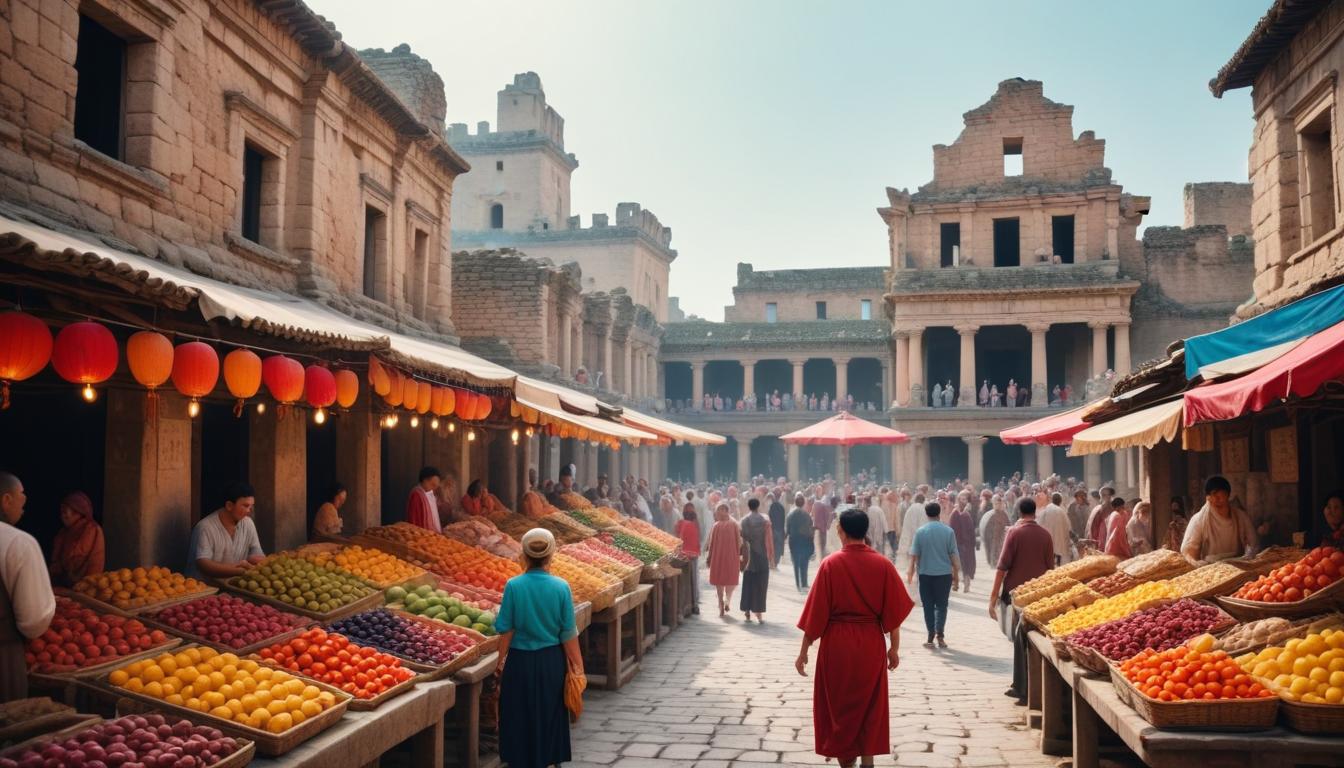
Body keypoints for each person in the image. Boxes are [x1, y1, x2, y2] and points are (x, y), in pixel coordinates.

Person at [795, 508, 914, 768]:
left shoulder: (830, 565)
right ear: (865, 532)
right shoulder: (883, 564)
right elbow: (893, 612)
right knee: (871, 705)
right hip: (870, 642)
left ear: (841, 532)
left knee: (839, 707)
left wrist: (804, 651)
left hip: (837, 644)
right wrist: (893, 648)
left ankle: (846, 764)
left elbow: (816, 615)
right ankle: (867, 760)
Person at [495, 529, 583, 768]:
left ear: (523, 555)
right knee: (550, 713)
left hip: (519, 662)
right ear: (551, 556)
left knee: (518, 714)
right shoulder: (561, 587)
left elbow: (506, 629)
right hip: (551, 662)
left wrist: (500, 663)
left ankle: (522, 761)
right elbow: (568, 633)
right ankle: (548, 761)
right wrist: (578, 667)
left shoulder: (513, 586)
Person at [988, 498, 1056, 703]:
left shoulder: (1014, 533)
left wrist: (992, 598)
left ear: (1018, 512)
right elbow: (1050, 568)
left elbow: (1002, 567)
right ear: (1034, 512)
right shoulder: (1045, 535)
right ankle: (1028, 684)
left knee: (1019, 640)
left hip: (1017, 596)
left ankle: (1022, 687)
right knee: (1031, 640)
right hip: (1039, 595)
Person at [0, 472, 56, 702]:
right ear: (6, 500)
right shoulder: (18, 543)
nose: (26, 500)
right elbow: (33, 621)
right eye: (21, 493)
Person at [907, 502, 960, 648]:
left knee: (928, 606)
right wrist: (957, 576)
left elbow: (914, 554)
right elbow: (954, 555)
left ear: (926, 514)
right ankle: (940, 635)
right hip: (944, 575)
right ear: (939, 513)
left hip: (925, 574)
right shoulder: (948, 531)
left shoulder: (921, 531)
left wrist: (910, 572)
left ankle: (930, 633)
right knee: (942, 606)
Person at [189, 482, 266, 579]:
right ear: (229, 505)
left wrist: (261, 562)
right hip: (204, 587)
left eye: (251, 506)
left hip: (232, 586)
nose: (249, 511)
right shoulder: (205, 527)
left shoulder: (248, 523)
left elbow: (256, 551)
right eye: (245, 506)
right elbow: (203, 563)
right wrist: (240, 571)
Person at [1181, 476, 1258, 563]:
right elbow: (1188, 551)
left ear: (1228, 495)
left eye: (1221, 496)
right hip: (1210, 568)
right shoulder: (1199, 519)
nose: (1218, 500)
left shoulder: (1241, 517)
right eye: (1214, 495)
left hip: (1239, 564)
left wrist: (1248, 555)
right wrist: (1198, 563)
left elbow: (1253, 543)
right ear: (1208, 497)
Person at [47, 491, 104, 586]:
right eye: (61, 512)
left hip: (86, 586)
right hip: (64, 586)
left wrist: (86, 585)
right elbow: (56, 562)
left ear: (78, 512)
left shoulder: (91, 529)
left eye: (65, 512)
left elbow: (93, 563)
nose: (62, 516)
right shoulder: (63, 533)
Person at [739, 498, 775, 623]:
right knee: (761, 585)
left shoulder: (744, 521)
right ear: (758, 506)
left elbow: (743, 538)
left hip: (749, 555)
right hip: (762, 555)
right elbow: (769, 538)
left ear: (748, 506)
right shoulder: (765, 520)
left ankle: (747, 611)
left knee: (748, 583)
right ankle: (759, 613)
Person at [706, 503, 742, 617]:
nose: (718, 513)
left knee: (719, 582)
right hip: (731, 557)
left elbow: (711, 544)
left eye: (719, 511)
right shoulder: (734, 525)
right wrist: (738, 556)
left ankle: (721, 604)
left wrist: (709, 557)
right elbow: (739, 542)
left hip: (718, 557)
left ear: (726, 511)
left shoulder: (716, 526)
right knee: (730, 581)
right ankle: (727, 601)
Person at [787, 493, 816, 591]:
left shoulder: (790, 514)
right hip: (804, 540)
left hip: (793, 540)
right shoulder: (806, 515)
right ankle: (804, 583)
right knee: (804, 562)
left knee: (796, 562)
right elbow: (810, 529)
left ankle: (798, 584)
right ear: (803, 503)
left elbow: (787, 529)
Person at [675, 504, 701, 615]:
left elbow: (677, 536)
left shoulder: (679, 523)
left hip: (682, 556)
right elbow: (698, 538)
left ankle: (685, 606)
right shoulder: (695, 525)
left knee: (684, 582)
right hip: (693, 555)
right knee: (693, 581)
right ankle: (694, 605)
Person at [1037, 492, 1072, 566]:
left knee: (1049, 557)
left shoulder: (1046, 510)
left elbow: (1039, 524)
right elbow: (1068, 527)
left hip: (1047, 539)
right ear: (1060, 501)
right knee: (1058, 557)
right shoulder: (1061, 511)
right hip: (1059, 540)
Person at [947, 499, 975, 593]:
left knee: (955, 565)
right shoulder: (967, 516)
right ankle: (964, 584)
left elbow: (950, 530)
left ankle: (956, 584)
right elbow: (972, 532)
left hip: (957, 544)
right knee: (965, 565)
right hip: (965, 545)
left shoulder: (954, 515)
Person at [407, 467, 443, 532]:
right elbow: (414, 519)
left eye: (436, 486)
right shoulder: (417, 495)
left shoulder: (430, 494)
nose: (434, 488)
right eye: (433, 485)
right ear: (425, 480)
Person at [979, 494, 1010, 569]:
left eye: (998, 503)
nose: (997, 505)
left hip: (1001, 539)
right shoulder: (990, 515)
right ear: (993, 503)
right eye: (995, 503)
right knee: (993, 553)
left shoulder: (1004, 514)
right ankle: (994, 564)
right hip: (992, 540)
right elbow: (985, 530)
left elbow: (1008, 525)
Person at [767, 492, 787, 568]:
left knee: (772, 546)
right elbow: (783, 520)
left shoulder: (771, 507)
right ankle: (775, 563)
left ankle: (771, 563)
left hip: (772, 530)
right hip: (779, 530)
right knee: (778, 547)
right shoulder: (782, 507)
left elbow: (769, 519)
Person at [812, 494, 835, 558]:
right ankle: (822, 555)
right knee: (822, 543)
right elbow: (829, 518)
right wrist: (828, 525)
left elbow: (812, 513)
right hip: (822, 528)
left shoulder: (816, 504)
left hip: (815, 526)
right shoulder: (828, 508)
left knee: (816, 542)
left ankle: (817, 553)